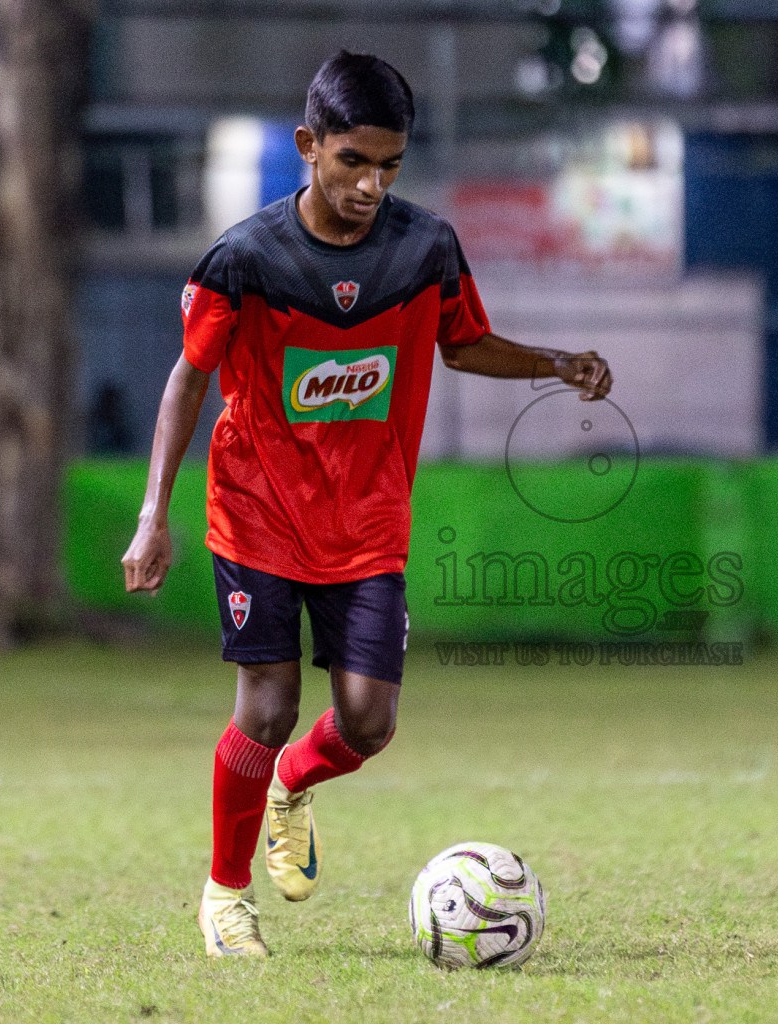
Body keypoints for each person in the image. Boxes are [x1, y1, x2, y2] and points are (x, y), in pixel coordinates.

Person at [120, 50, 612, 957]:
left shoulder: (425, 247)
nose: (370, 184)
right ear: (310, 146)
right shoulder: (245, 258)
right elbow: (188, 378)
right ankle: (225, 897)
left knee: (368, 722)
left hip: (367, 524)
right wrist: (154, 516)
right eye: (353, 162)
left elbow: (462, 344)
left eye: (389, 166)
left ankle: (290, 786)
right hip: (258, 511)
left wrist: (554, 361)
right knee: (264, 707)